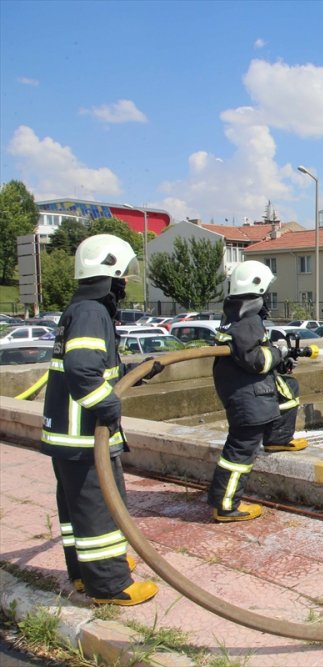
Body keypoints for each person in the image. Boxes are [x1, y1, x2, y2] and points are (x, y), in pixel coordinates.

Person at [42, 234, 158, 606]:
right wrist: (109, 409)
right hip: (85, 437)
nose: (125, 285)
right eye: (123, 278)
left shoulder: (79, 310)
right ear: (111, 276)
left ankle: (84, 573)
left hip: (66, 436)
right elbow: (82, 371)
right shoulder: (93, 313)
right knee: (101, 510)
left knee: (76, 510)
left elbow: (94, 365)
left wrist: (133, 371)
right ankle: (110, 585)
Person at [207, 260, 307, 523]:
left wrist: (276, 354)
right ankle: (226, 506)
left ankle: (278, 438)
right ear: (258, 289)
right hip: (247, 397)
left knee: (289, 389)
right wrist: (278, 352)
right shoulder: (248, 321)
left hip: (248, 391)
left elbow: (247, 355)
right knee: (239, 455)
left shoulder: (234, 318)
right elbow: (257, 361)